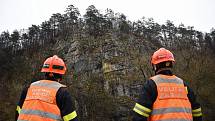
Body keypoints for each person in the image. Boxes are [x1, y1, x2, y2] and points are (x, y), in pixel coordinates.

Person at [132, 48, 202, 121]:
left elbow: (139, 116)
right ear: (171, 63)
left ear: (155, 66)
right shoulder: (183, 84)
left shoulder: (151, 84)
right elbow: (197, 112)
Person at [15, 55, 78, 121]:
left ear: (45, 72)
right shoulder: (62, 93)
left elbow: (18, 113)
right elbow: (71, 119)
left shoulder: (28, 88)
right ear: (61, 74)